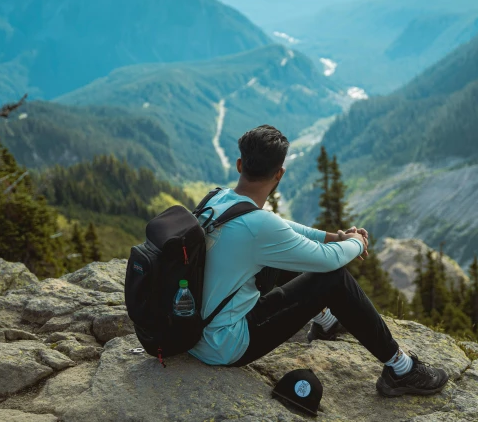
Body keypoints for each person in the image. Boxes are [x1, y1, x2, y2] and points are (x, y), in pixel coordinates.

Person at [189, 125, 449, 397]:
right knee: (334, 278)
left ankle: (327, 322)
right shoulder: (259, 226)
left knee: (284, 254)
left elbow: (280, 228)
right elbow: (326, 262)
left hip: (198, 333)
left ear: (240, 164)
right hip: (224, 345)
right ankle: (402, 369)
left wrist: (335, 237)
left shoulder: (217, 198)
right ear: (279, 174)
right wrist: (355, 242)